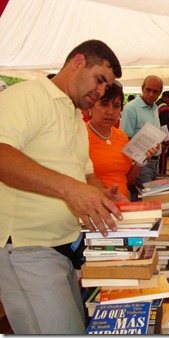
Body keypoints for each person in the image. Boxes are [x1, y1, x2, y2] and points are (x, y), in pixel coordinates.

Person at [0, 39, 124, 334]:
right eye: (100, 80)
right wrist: (70, 190)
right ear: (77, 62)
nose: (101, 91)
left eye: (107, 87)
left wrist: (101, 195)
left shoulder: (73, 117)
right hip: (27, 249)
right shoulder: (29, 96)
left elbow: (85, 175)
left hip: (63, 248)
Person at [86, 81, 158, 199]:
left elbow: (127, 180)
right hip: (96, 209)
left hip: (123, 207)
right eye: (104, 104)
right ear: (90, 107)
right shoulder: (80, 136)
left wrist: (141, 160)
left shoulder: (121, 136)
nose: (110, 111)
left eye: (116, 106)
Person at [120, 75, 163, 201]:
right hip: (140, 164)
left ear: (159, 93)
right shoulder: (131, 108)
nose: (151, 94)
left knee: (150, 199)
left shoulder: (154, 107)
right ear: (142, 88)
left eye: (155, 91)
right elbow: (124, 138)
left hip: (154, 162)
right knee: (144, 201)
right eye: (148, 90)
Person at [156, 90, 169, 174]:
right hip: (162, 136)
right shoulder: (164, 106)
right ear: (166, 98)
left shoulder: (156, 103)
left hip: (157, 134)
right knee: (163, 157)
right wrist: (167, 138)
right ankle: (162, 174)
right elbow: (165, 123)